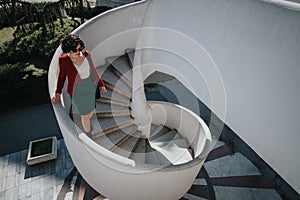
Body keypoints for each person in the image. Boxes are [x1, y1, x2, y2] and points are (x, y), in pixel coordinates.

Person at [51, 34, 107, 135]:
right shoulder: (64, 61)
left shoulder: (86, 55)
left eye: (80, 48)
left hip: (90, 88)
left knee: (91, 111)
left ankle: (87, 121)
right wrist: (58, 92)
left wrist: (101, 84)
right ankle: (88, 133)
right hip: (77, 92)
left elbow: (93, 70)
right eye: (76, 50)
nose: (79, 52)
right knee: (84, 115)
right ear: (69, 51)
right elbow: (61, 77)